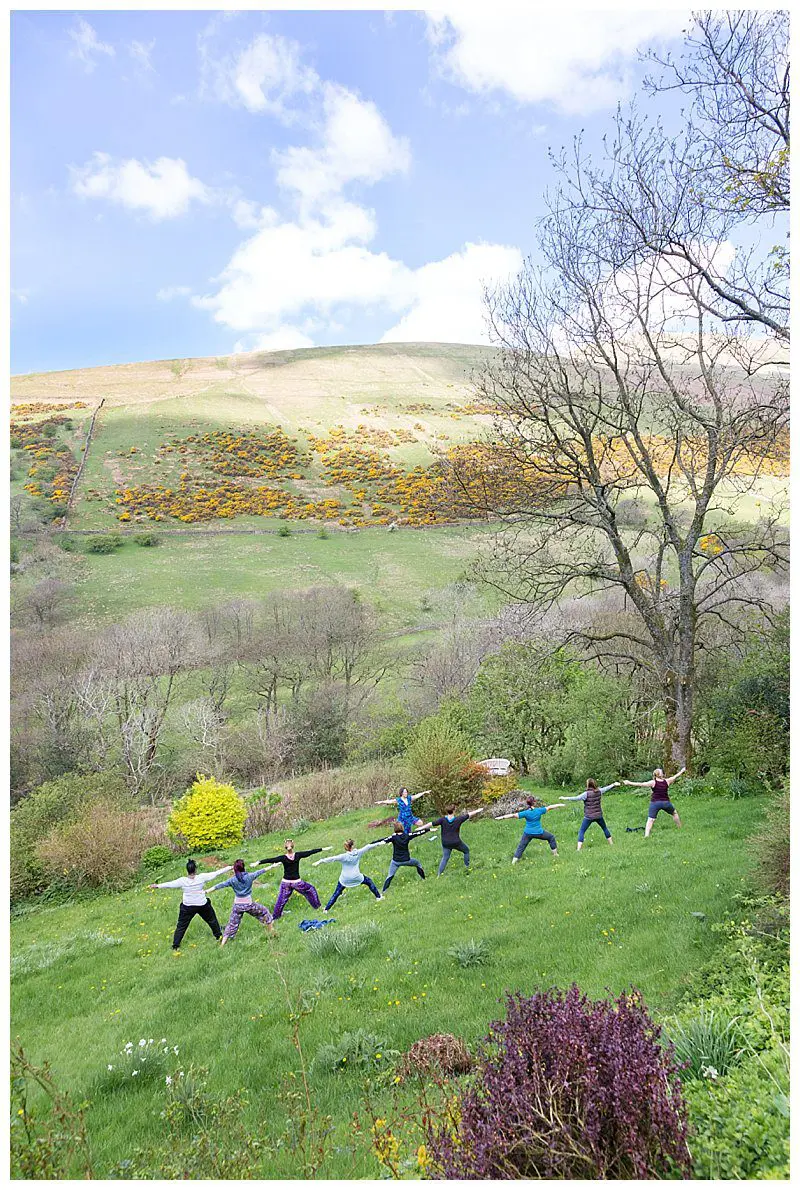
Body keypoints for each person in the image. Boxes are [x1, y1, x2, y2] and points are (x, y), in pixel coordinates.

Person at [149, 859, 232, 952]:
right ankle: (218, 936)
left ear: (187, 870)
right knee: (211, 920)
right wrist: (230, 867)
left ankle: (175, 946)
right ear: (195, 870)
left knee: (181, 926)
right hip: (202, 905)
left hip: (187, 907)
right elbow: (216, 873)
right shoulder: (202, 877)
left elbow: (170, 884)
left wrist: (157, 885)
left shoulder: (182, 881)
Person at [253, 839, 333, 920]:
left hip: (286, 883)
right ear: (293, 846)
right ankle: (317, 906)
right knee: (311, 889)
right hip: (297, 883)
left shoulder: (283, 858)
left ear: (285, 847)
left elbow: (271, 860)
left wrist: (258, 862)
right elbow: (310, 852)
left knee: (281, 901)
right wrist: (323, 849)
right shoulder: (297, 855)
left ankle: (275, 916)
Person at [207, 859, 275, 946]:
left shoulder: (232, 880)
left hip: (237, 906)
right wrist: (272, 866)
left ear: (235, 869)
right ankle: (272, 932)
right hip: (249, 905)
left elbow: (220, 885)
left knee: (232, 924)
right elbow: (261, 871)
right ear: (244, 867)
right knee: (264, 911)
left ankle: (222, 945)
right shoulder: (250, 876)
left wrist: (207, 891)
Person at [313, 839, 387, 909]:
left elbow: (332, 858)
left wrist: (320, 861)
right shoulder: (358, 852)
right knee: (369, 882)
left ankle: (326, 909)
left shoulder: (343, 856)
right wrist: (380, 843)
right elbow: (368, 847)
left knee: (337, 893)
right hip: (356, 876)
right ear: (352, 846)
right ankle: (378, 897)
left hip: (345, 878)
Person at [373, 820, 437, 892]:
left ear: (395, 829)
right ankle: (424, 879)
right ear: (402, 828)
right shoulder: (407, 836)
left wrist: (371, 844)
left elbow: (382, 841)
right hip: (407, 860)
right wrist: (429, 829)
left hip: (396, 861)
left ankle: (383, 892)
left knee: (390, 875)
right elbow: (417, 833)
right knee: (418, 863)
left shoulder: (393, 837)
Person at [497, 797, 565, 861]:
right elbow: (550, 807)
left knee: (521, 846)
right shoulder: (539, 811)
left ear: (527, 804)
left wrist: (501, 817)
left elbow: (513, 815)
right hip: (539, 832)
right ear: (534, 803)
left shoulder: (526, 813)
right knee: (551, 837)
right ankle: (555, 854)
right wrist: (560, 804)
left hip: (528, 833)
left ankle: (514, 861)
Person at [622, 767, 686, 836]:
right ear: (660, 774)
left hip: (655, 803)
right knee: (674, 813)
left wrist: (629, 782)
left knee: (650, 819)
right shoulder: (667, 781)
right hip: (666, 803)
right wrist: (682, 771)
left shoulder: (653, 782)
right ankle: (680, 828)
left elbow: (641, 784)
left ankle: (646, 835)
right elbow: (675, 776)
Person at [559, 779, 620, 850]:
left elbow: (576, 798)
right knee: (604, 828)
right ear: (594, 784)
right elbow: (607, 788)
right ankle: (611, 844)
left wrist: (564, 798)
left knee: (581, 831)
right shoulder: (599, 791)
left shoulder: (586, 794)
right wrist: (614, 784)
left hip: (589, 817)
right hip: (598, 815)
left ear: (588, 785)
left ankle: (578, 850)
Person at [433, 806, 484, 876]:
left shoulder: (442, 820)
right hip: (456, 842)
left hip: (446, 843)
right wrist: (478, 810)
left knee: (445, 858)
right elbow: (469, 814)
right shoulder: (459, 819)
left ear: (447, 811)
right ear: (454, 811)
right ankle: (467, 867)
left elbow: (431, 824)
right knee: (466, 851)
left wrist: (421, 828)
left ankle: (439, 875)